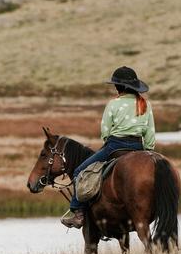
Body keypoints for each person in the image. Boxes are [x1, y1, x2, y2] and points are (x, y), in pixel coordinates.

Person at [60, 66, 156, 228]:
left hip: (115, 146)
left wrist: (109, 141)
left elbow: (105, 131)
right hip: (138, 147)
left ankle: (78, 214)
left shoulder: (113, 104)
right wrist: (147, 151)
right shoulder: (145, 104)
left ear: (120, 87)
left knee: (79, 172)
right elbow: (150, 133)